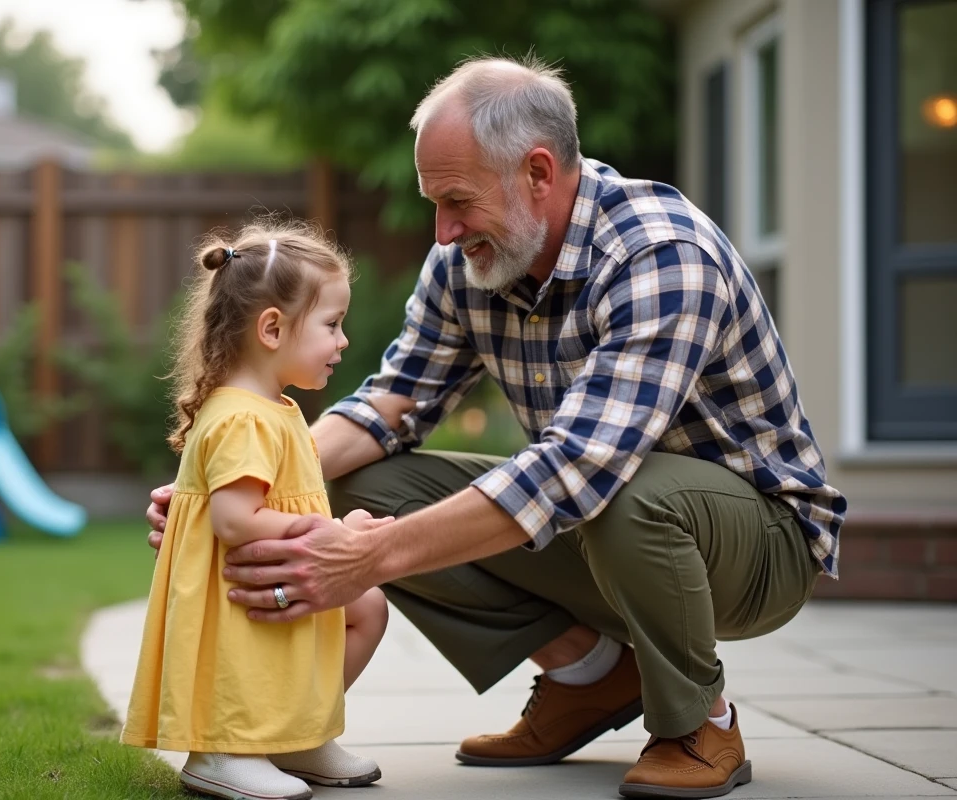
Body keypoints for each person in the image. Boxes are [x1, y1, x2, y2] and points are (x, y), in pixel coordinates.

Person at [147, 56, 846, 800]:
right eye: (433, 203)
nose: (442, 232)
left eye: (456, 201)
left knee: (626, 492)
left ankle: (699, 724)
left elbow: (578, 468)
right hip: (603, 521)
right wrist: (223, 484)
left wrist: (370, 559)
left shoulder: (659, 255)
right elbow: (394, 402)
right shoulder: (469, 262)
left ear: (538, 173)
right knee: (357, 480)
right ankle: (592, 676)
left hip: (756, 546)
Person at [122, 220, 391, 800]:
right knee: (253, 650)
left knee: (366, 606)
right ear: (272, 328)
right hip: (238, 585)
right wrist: (329, 531)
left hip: (273, 567)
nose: (342, 340)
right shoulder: (243, 416)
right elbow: (235, 521)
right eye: (332, 324)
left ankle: (294, 733)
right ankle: (220, 750)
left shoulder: (275, 409)